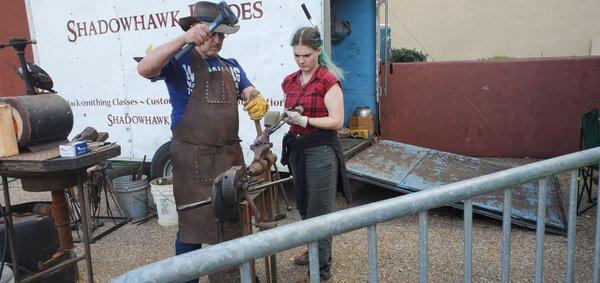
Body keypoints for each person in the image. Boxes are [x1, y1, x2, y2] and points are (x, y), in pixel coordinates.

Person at [136, 1, 268, 280]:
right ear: (197, 30)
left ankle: (234, 277)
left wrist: (255, 97)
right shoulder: (177, 63)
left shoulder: (230, 66)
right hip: (191, 161)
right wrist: (183, 39)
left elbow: (247, 89)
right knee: (192, 227)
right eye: (213, 34)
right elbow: (145, 68)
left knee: (233, 227)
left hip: (229, 160)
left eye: (222, 35)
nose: (218, 40)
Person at [280, 26, 352, 281]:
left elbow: (337, 121)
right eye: (297, 55)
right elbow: (291, 112)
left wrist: (305, 119)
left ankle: (320, 271)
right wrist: (283, 117)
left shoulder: (327, 81)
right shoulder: (289, 81)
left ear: (318, 51)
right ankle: (312, 251)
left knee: (320, 211)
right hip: (298, 149)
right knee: (302, 204)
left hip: (321, 150)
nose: (301, 61)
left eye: (307, 55)